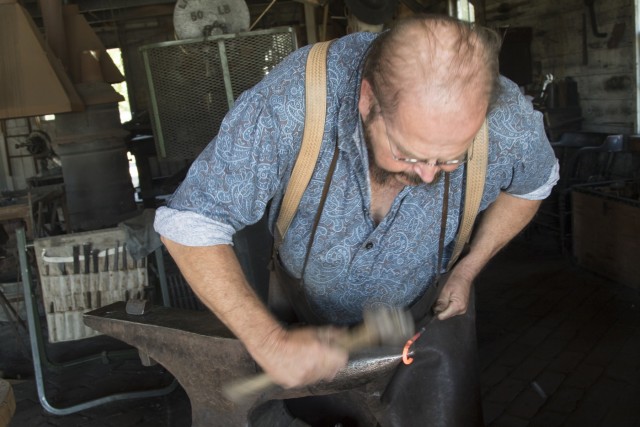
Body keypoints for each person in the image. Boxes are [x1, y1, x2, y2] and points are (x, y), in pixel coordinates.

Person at [154, 14, 559, 425]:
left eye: (450, 158)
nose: (428, 175)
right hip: (300, 321)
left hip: (427, 321)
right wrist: (268, 340)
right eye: (409, 153)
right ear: (367, 100)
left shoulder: (508, 123)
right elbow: (191, 219)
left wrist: (469, 268)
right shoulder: (296, 98)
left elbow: (534, 185)